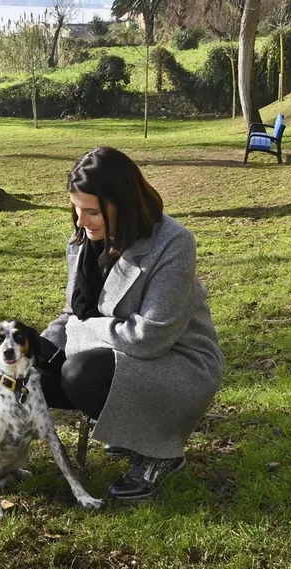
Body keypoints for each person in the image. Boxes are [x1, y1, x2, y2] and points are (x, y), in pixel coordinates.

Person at [39, 146, 223, 501]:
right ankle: (128, 431)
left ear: (122, 204)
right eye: (76, 209)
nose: (80, 221)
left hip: (179, 363)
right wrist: (39, 348)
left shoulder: (173, 242)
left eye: (91, 211)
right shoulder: (83, 241)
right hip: (115, 353)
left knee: (80, 372)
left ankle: (160, 453)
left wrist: (80, 333)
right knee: (38, 375)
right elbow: (72, 314)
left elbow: (149, 337)